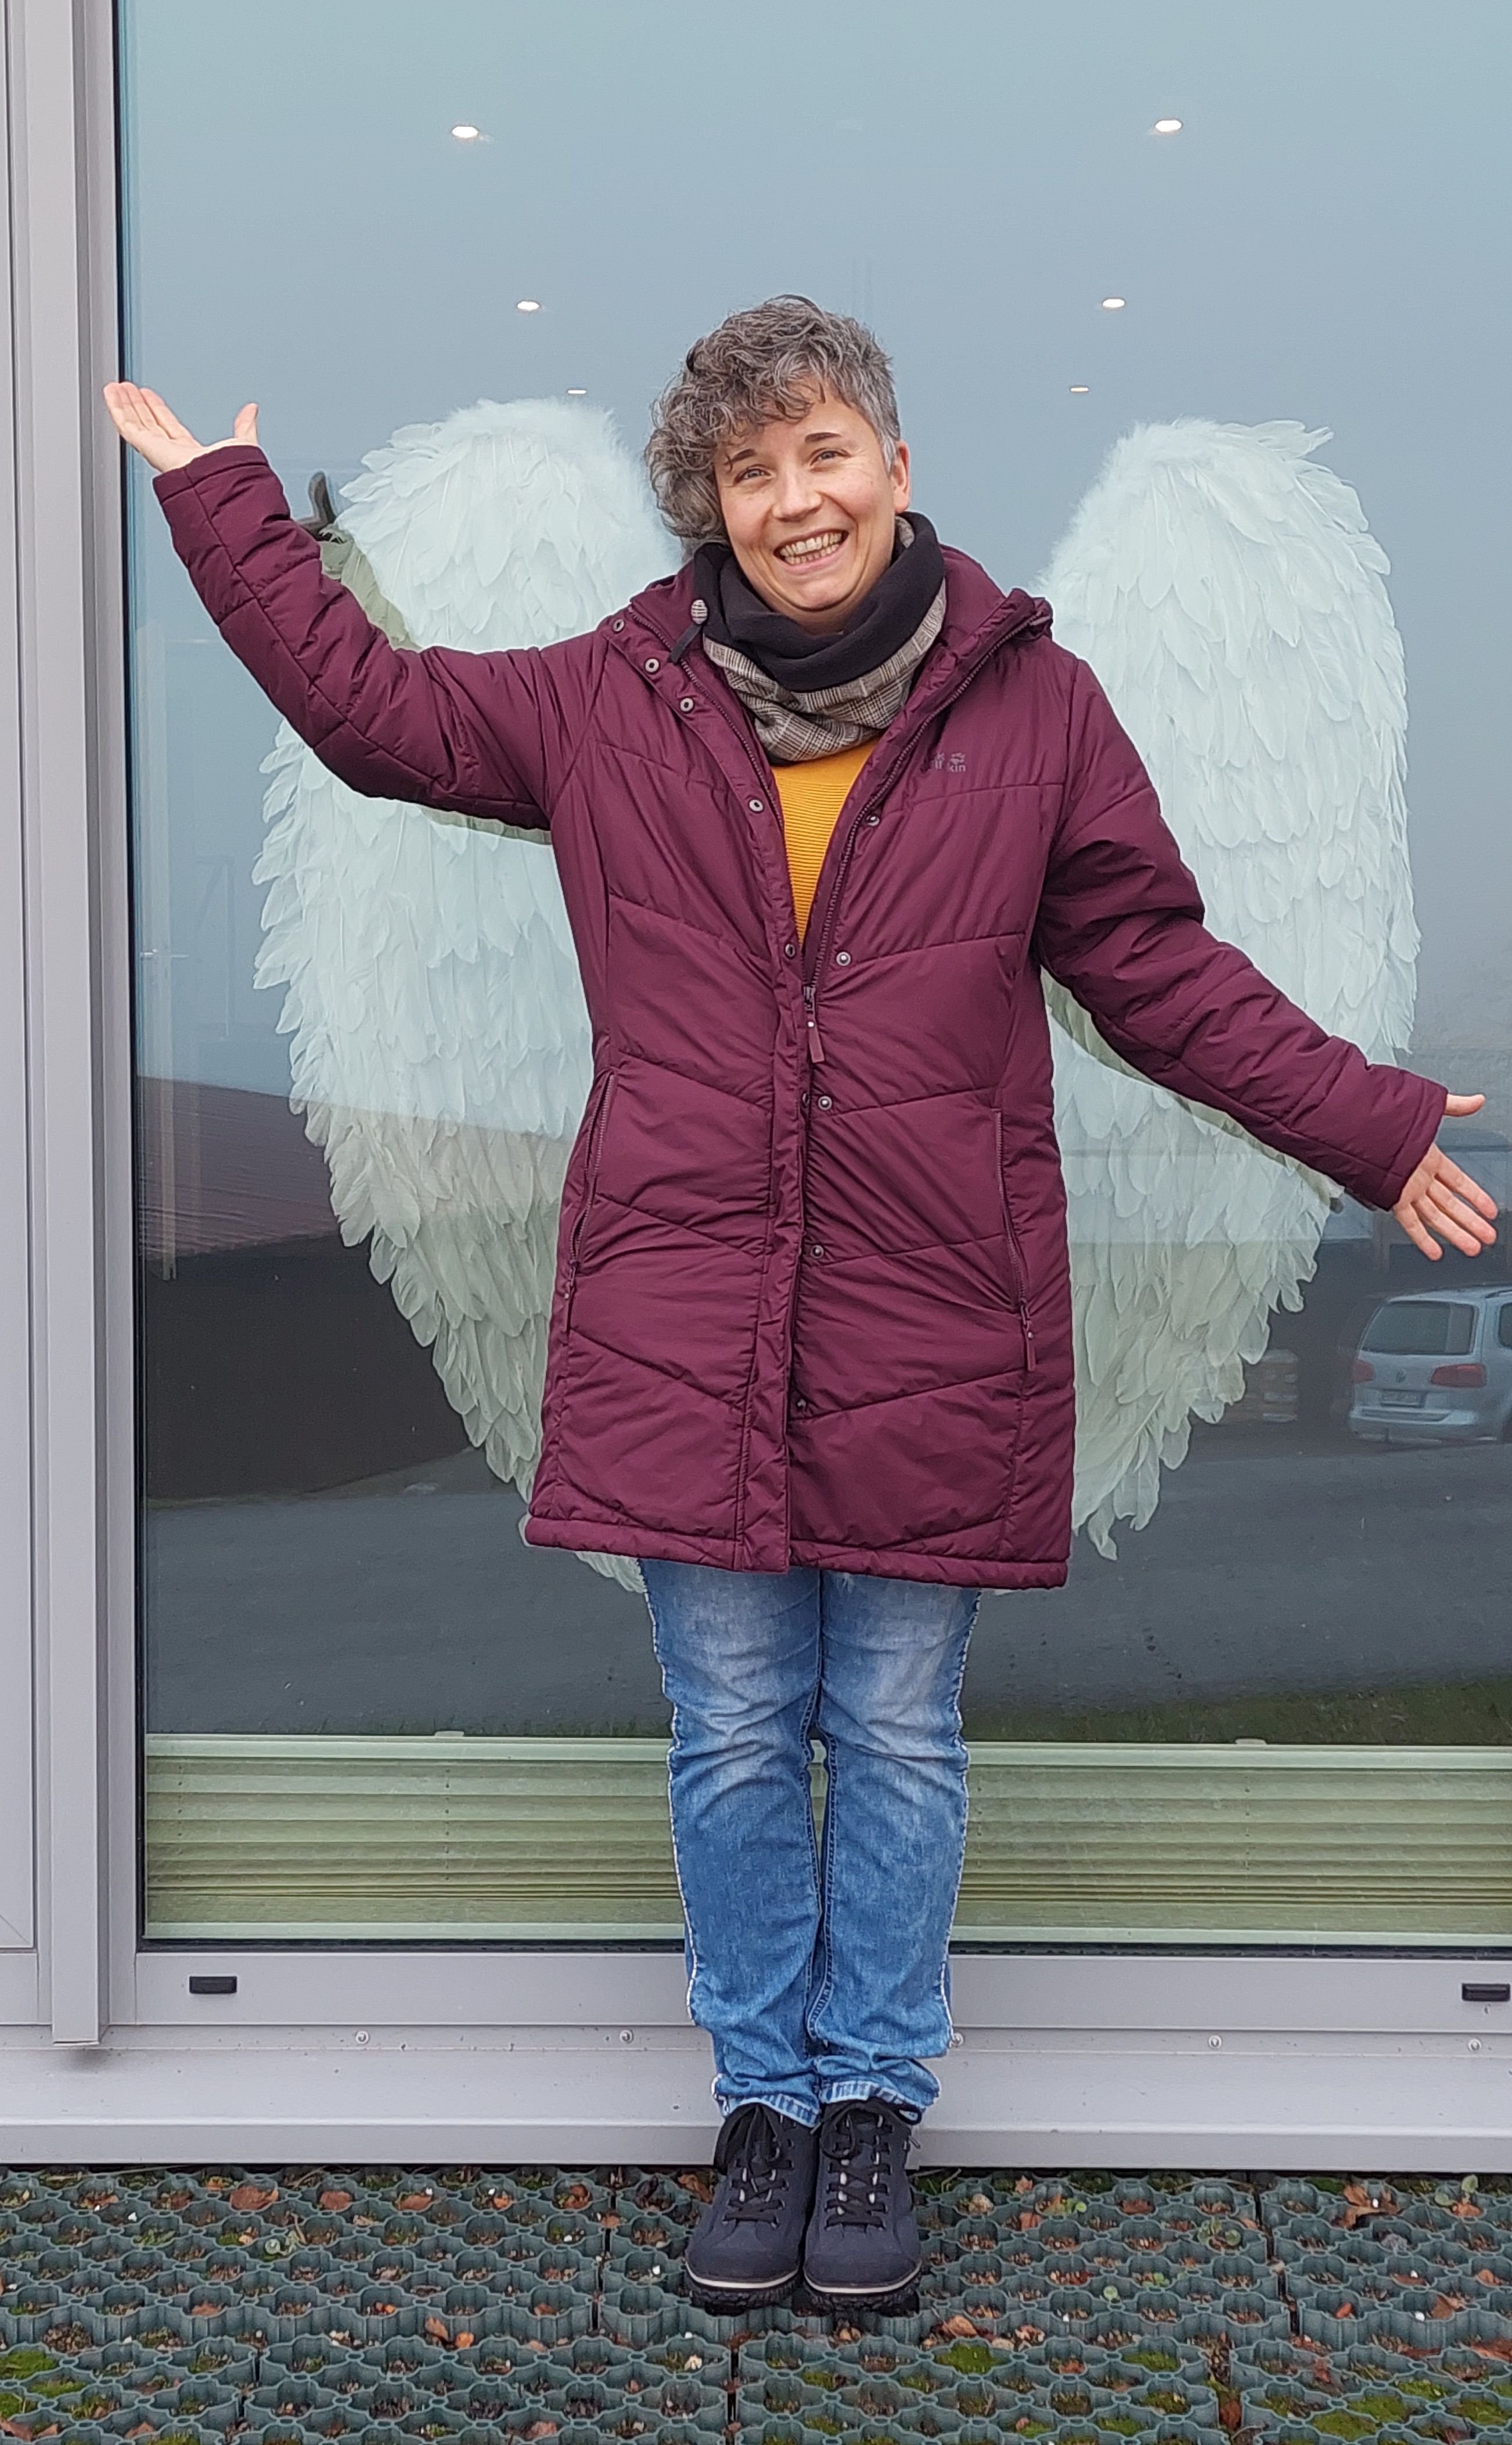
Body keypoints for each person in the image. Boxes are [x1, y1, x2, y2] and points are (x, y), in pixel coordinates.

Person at [105, 297, 1496, 2313]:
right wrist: (227, 505)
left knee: (899, 1733)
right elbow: (376, 716)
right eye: (748, 474)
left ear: (894, 467)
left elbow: (1154, 971)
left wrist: (1360, 1119)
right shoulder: (611, 700)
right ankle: (761, 2102)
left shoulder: (1036, 710)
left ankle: (870, 2110)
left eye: (821, 454)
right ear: (715, 508)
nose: (793, 500)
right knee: (740, 1733)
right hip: (687, 1310)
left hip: (936, 1310)